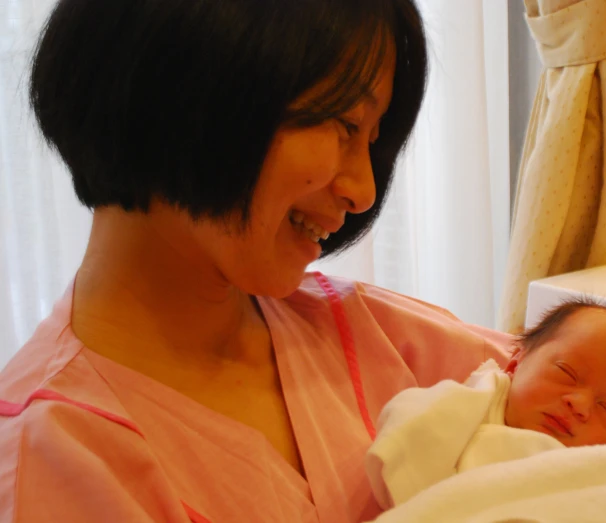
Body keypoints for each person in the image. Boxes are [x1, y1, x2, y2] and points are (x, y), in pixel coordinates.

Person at [0, 1, 516, 522]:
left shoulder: (370, 332)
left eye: (372, 140)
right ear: (195, 81)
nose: (363, 190)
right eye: (345, 124)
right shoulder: (53, 455)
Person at [364, 299, 606, 521]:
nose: (580, 405)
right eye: (567, 373)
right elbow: (413, 432)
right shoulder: (467, 407)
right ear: (515, 365)